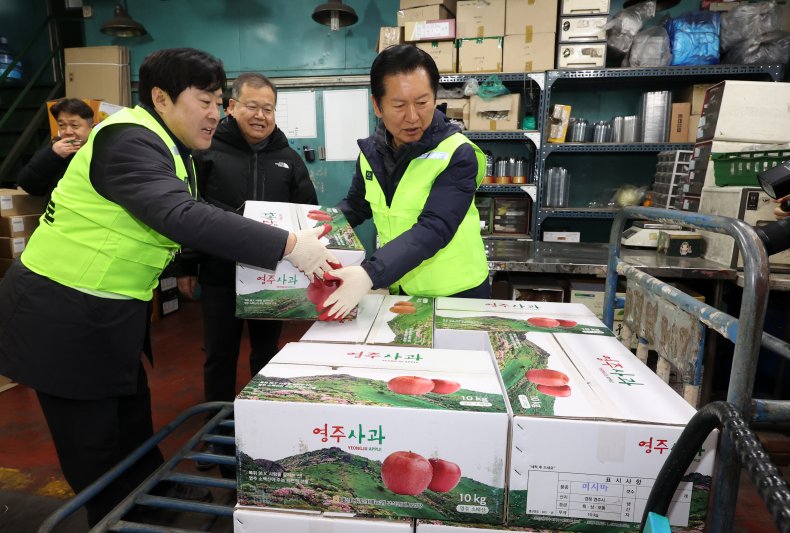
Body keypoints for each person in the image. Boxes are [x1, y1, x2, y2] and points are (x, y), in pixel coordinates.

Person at [0, 48, 335, 527]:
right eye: (206, 100)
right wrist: (286, 244)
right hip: (62, 314)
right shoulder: (127, 142)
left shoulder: (170, 146)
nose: (216, 113)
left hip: (110, 312)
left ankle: (150, 496)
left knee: (132, 422)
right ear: (161, 97)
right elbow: (180, 215)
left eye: (220, 101)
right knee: (93, 443)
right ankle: (113, 517)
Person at [176, 72, 317, 469]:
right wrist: (187, 265)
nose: (260, 115)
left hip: (270, 277)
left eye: (268, 108)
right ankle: (217, 435)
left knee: (266, 353)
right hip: (220, 273)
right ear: (232, 106)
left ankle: (265, 423)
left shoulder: (287, 158)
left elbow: (308, 211)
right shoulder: (206, 151)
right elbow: (186, 210)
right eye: (251, 106)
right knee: (218, 356)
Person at [320, 44, 490, 320]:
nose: (412, 117)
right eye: (399, 105)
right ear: (377, 105)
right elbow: (357, 205)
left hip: (459, 295)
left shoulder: (457, 153)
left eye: (422, 103)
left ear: (435, 98)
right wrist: (319, 230)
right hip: (404, 290)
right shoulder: (371, 154)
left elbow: (435, 227)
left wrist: (369, 273)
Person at [17, 98, 94, 199]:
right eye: (62, 125)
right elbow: (29, 186)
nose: (68, 131)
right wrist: (52, 154)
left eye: (74, 125)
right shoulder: (54, 150)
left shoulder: (102, 151)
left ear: (92, 127)